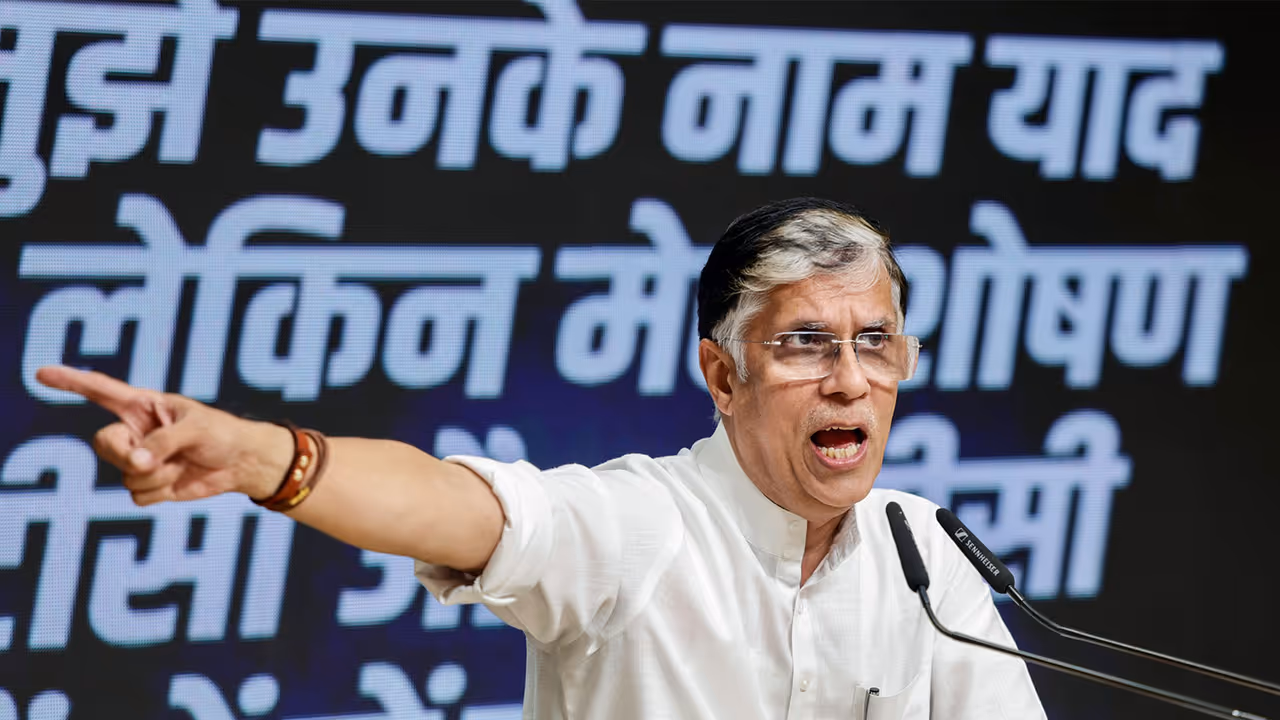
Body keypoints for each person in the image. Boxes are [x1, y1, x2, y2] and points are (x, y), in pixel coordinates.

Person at [37, 197, 1045, 719]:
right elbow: (454, 508)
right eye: (806, 344)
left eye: (876, 343)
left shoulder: (923, 550)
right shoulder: (645, 525)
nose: (850, 380)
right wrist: (261, 458)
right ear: (723, 375)